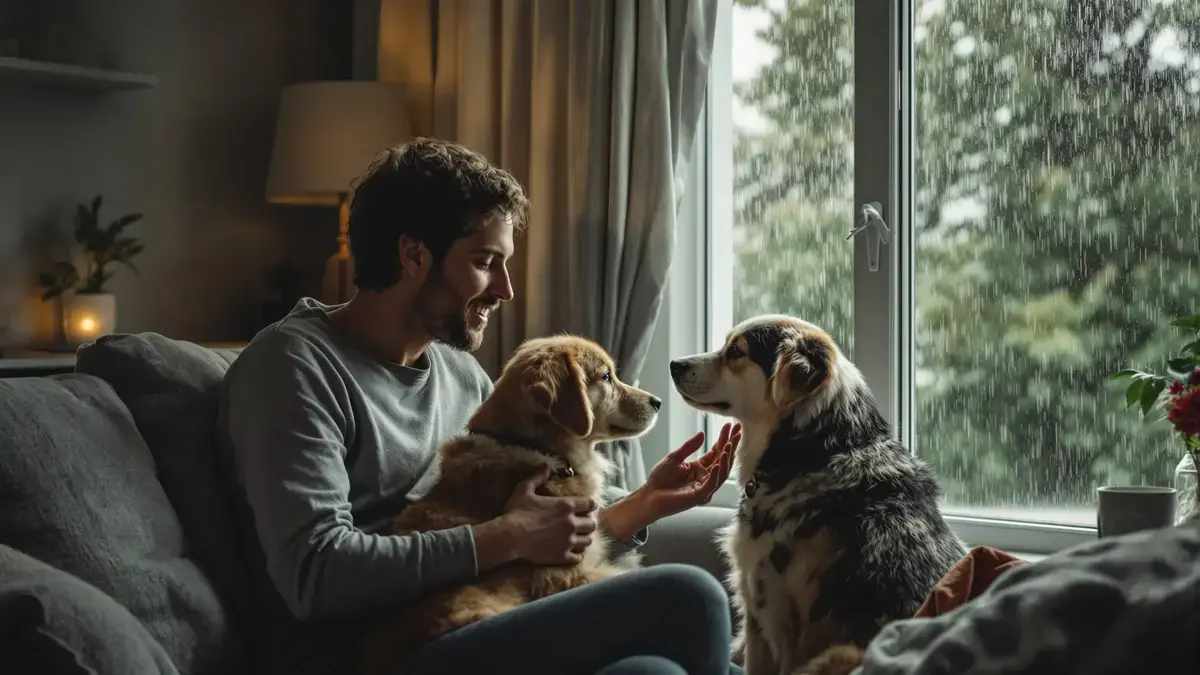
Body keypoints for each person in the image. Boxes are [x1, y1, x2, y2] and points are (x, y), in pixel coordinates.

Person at [218, 137, 743, 675]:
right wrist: (508, 535)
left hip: (488, 617)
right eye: (486, 263)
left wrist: (645, 502)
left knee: (651, 673)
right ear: (414, 255)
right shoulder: (294, 368)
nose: (506, 289)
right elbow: (317, 575)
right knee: (691, 596)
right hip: (377, 656)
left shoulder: (460, 375)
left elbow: (526, 542)